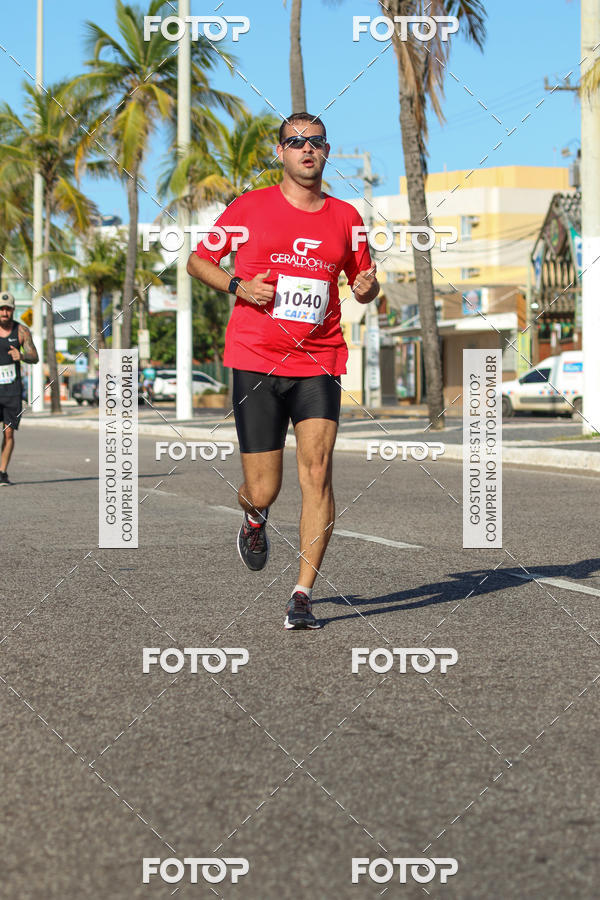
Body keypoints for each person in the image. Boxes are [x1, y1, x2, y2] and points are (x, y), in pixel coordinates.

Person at [187, 113, 379, 629]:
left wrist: (366, 288)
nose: (306, 150)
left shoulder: (347, 217)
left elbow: (365, 278)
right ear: (280, 153)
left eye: (315, 142)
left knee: (317, 472)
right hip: (255, 360)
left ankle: (302, 595)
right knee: (265, 487)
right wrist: (238, 287)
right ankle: (254, 517)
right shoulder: (249, 208)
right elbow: (197, 261)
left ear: (327, 150)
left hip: (320, 360)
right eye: (295, 142)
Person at [0, 291, 40, 485]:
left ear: (13, 310)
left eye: (8, 309)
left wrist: (22, 356)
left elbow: (35, 357)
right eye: (1, 309)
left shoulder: (22, 331)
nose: (4, 313)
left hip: (12, 390)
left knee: (8, 432)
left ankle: (2, 472)